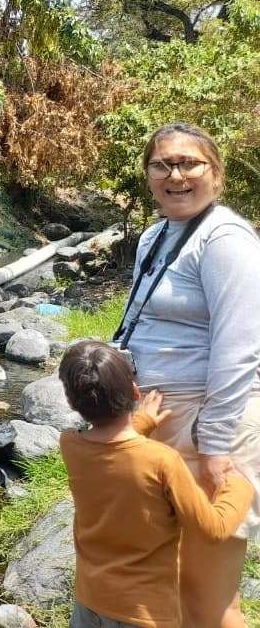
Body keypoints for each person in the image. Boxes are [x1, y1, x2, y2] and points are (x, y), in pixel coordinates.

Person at [115, 123, 260, 628]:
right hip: (160, 420)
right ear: (148, 175)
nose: (175, 175)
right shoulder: (157, 234)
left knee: (208, 594)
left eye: (189, 163)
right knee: (172, 577)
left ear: (215, 174)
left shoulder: (227, 239)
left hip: (210, 426)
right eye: (162, 165)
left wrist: (217, 444)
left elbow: (240, 347)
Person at [57, 341, 254, 628]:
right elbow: (212, 529)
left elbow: (113, 454)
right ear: (135, 392)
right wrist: (240, 487)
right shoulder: (161, 461)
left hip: (89, 602)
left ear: (72, 402)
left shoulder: (70, 444)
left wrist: (141, 424)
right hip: (144, 614)